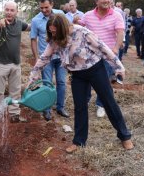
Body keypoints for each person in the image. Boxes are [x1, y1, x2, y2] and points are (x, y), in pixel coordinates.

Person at [28, 14, 134, 153]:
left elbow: (103, 48)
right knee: (80, 107)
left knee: (109, 102)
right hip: (77, 74)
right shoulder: (55, 38)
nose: (53, 34)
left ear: (63, 27)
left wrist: (118, 66)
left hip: (96, 70)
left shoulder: (82, 32)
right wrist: (34, 74)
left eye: (55, 31)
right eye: (51, 32)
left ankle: (125, 136)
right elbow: (45, 57)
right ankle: (79, 141)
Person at [76, 0, 124, 118]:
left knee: (105, 82)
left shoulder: (116, 15)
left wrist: (116, 48)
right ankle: (84, 102)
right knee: (87, 80)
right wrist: (75, 21)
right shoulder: (88, 15)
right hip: (90, 56)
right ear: (96, 1)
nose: (107, 0)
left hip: (108, 55)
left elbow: (120, 32)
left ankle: (100, 105)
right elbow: (79, 27)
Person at [30, 0, 69, 121]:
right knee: (47, 83)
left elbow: (68, 31)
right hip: (46, 57)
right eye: (41, 8)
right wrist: (36, 57)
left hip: (61, 55)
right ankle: (47, 110)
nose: (44, 10)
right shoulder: (36, 20)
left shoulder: (60, 14)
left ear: (52, 4)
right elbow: (33, 39)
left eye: (46, 7)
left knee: (61, 82)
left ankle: (60, 107)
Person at [0, 1, 30, 123]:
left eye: (12, 10)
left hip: (15, 63)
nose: (9, 12)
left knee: (15, 91)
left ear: (16, 12)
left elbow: (29, 27)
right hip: (0, 63)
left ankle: (14, 114)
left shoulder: (19, 23)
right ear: (4, 10)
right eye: (7, 9)